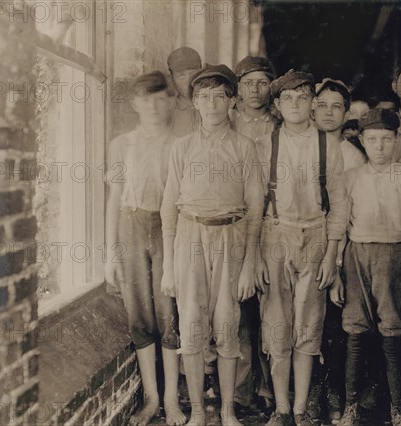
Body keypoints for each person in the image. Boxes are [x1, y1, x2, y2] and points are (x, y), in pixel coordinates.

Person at [160, 64, 264, 426]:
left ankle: (228, 410)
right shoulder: (182, 147)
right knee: (191, 324)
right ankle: (199, 413)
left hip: (231, 237)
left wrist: (249, 262)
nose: (212, 104)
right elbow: (168, 207)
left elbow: (255, 208)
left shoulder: (244, 147)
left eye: (220, 96)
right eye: (204, 97)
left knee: (226, 324)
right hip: (189, 236)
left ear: (232, 101)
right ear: (194, 103)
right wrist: (168, 267)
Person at [255, 69, 348, 426]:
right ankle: (281, 408)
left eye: (302, 98)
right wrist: (256, 255)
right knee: (278, 326)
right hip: (275, 233)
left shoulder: (329, 145)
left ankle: (300, 409)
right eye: (287, 99)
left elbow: (339, 205)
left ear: (312, 103)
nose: (295, 105)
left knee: (308, 327)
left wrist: (332, 256)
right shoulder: (265, 144)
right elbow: (253, 205)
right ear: (277, 105)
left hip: (316, 235)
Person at [333, 108, 401, 426]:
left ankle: (398, 409)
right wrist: (336, 273)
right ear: (362, 141)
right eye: (372, 140)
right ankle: (350, 407)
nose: (379, 147)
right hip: (357, 256)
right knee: (356, 332)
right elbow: (340, 228)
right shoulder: (351, 178)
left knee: (392, 334)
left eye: (386, 140)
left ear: (397, 140)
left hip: (397, 258)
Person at [105, 71, 185, 426]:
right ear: (135, 104)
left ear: (169, 102)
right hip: (131, 228)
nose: (153, 107)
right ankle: (152, 399)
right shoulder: (122, 144)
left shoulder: (181, 143)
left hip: (170, 229)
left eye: (160, 99)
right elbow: (114, 200)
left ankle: (172, 399)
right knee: (140, 315)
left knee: (169, 312)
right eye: (146, 100)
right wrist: (111, 252)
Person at [308, 77, 365, 423]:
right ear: (313, 109)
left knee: (334, 325)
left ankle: (334, 393)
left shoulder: (351, 156)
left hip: (339, 249)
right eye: (323, 105)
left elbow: (350, 214)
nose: (329, 113)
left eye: (337, 107)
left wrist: (339, 260)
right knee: (303, 322)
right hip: (302, 244)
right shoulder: (299, 146)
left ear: (346, 114)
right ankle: (308, 393)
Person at [230, 55, 278, 416]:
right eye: (248, 83)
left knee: (271, 309)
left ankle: (270, 387)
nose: (255, 90)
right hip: (238, 221)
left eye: (262, 83)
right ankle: (242, 390)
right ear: (238, 88)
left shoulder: (281, 124)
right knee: (241, 311)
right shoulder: (228, 122)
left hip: (274, 222)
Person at [167, 47, 202, 137]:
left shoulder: (211, 105)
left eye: (193, 74)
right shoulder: (167, 110)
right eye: (181, 76)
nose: (188, 81)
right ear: (172, 79)